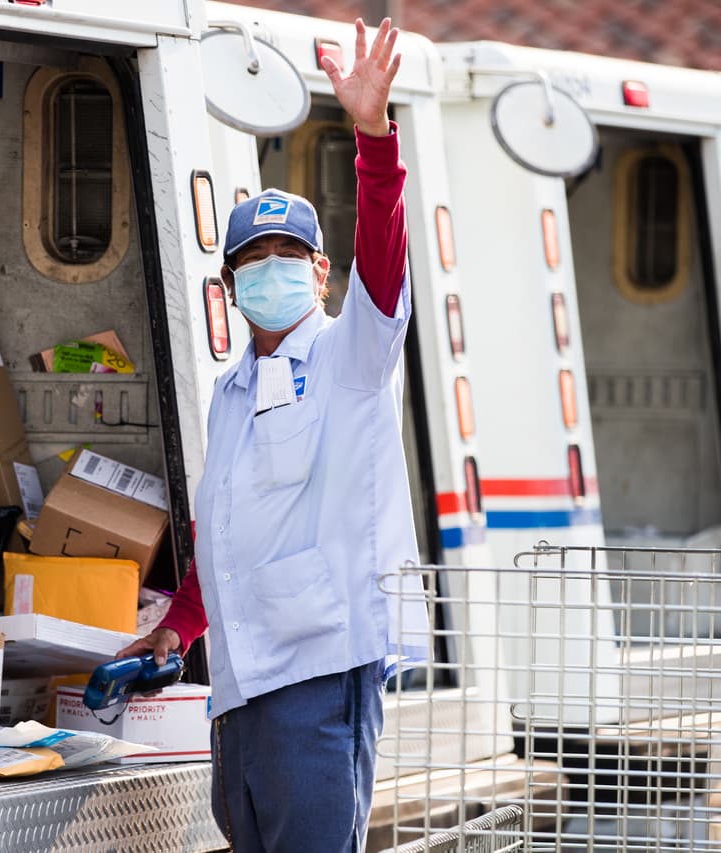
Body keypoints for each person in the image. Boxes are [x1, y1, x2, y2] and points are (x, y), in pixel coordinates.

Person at [116, 17, 429, 853]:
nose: (274, 269)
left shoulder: (348, 358)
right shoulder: (230, 390)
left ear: (322, 273)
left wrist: (373, 140)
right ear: (229, 285)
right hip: (241, 691)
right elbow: (224, 528)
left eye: (293, 254)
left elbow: (387, 265)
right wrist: (178, 629)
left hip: (319, 677)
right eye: (255, 258)